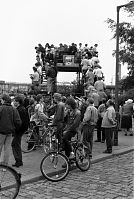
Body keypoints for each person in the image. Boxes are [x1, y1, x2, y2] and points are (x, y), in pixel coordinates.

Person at [0, 94, 22, 165]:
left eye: (1, 99)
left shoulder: (1, 108)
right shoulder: (14, 109)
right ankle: (5, 164)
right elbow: (18, 121)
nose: (1, 101)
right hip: (10, 132)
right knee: (7, 148)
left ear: (4, 100)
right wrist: (14, 128)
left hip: (1, 131)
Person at [12, 95, 29, 167]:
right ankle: (19, 160)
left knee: (15, 144)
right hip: (21, 130)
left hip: (19, 130)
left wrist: (16, 129)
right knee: (16, 144)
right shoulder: (22, 108)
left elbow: (19, 122)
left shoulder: (19, 110)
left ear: (18, 102)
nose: (13, 102)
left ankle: (18, 161)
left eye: (15, 101)